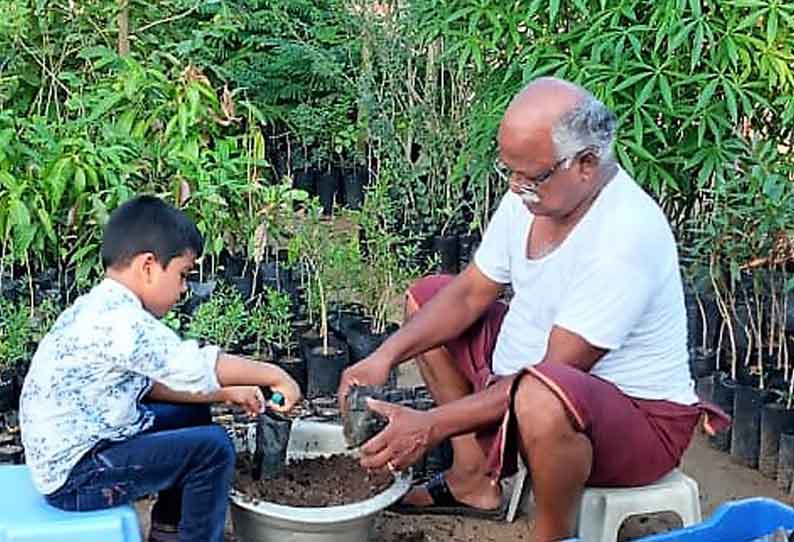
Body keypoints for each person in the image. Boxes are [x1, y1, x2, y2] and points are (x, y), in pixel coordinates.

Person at [338, 78, 729, 541]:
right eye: (511, 171)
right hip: (533, 383)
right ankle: (471, 480)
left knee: (541, 396)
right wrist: (385, 356)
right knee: (430, 297)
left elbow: (552, 372)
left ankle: (553, 534)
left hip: (635, 423)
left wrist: (430, 426)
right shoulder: (532, 197)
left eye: (531, 175)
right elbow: (469, 294)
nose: (516, 186)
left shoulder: (624, 236)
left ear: (586, 164)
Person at [20, 196, 302, 542]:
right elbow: (190, 366)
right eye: (183, 275)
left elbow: (151, 383)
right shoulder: (120, 322)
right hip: (78, 477)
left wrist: (225, 393)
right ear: (149, 266)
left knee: (192, 412)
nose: (185, 289)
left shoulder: (99, 306)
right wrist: (276, 374)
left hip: (88, 447)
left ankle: (169, 530)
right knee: (213, 451)